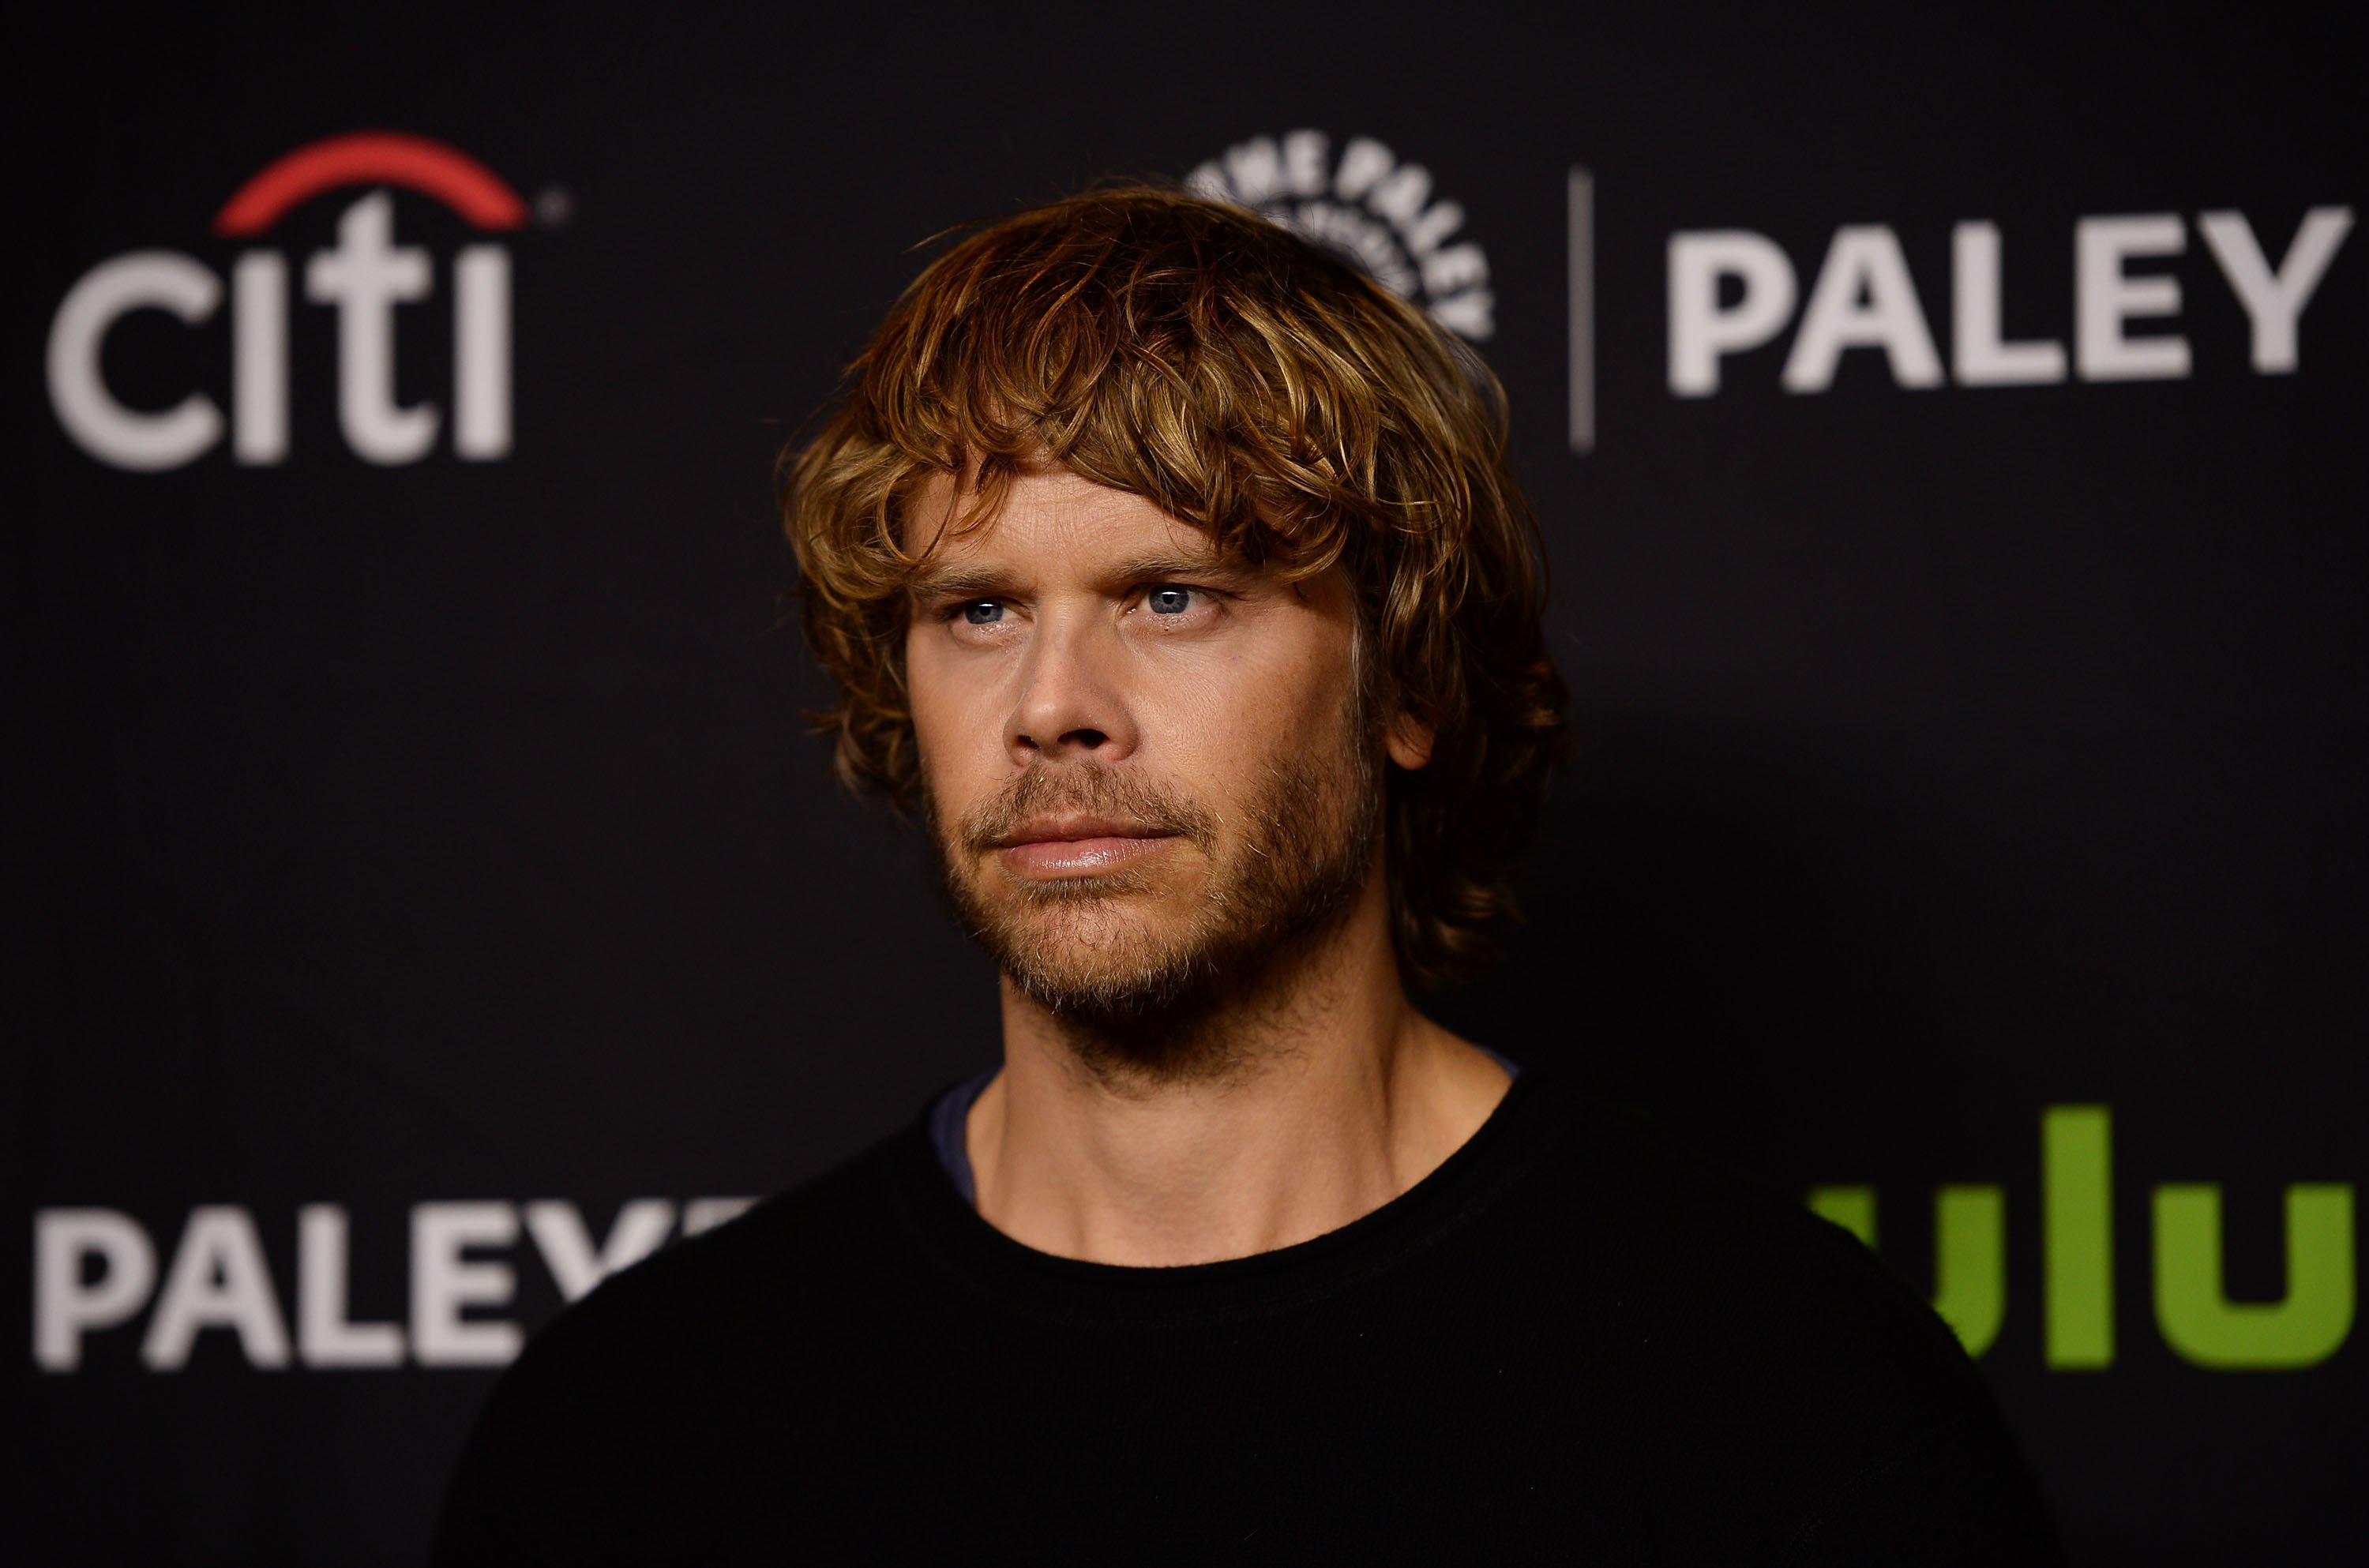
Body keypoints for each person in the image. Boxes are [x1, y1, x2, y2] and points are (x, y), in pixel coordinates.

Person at [434, 186, 2062, 1563]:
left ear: (1407, 680)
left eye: (1172, 595)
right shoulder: (641, 1426)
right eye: (978, 611)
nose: (1053, 706)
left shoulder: (1778, 1392)